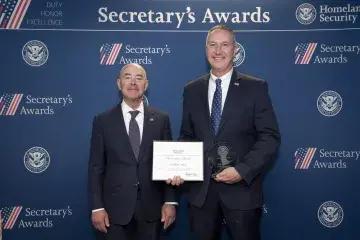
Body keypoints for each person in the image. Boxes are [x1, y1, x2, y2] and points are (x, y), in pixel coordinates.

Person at [170, 25, 281, 240]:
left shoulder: (256, 87)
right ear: (205, 49)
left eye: (224, 45)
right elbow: (187, 135)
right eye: (213, 44)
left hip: (242, 192)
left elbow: (270, 136)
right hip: (201, 193)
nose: (218, 51)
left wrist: (242, 170)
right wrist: (179, 164)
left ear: (235, 50)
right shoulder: (191, 90)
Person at [88, 63, 178, 240]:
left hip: (151, 209)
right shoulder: (102, 121)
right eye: (127, 77)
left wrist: (170, 201)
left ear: (146, 84)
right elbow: (96, 167)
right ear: (118, 83)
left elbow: (169, 164)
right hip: (114, 211)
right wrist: (97, 207)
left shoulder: (161, 119)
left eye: (139, 78)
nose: (133, 82)